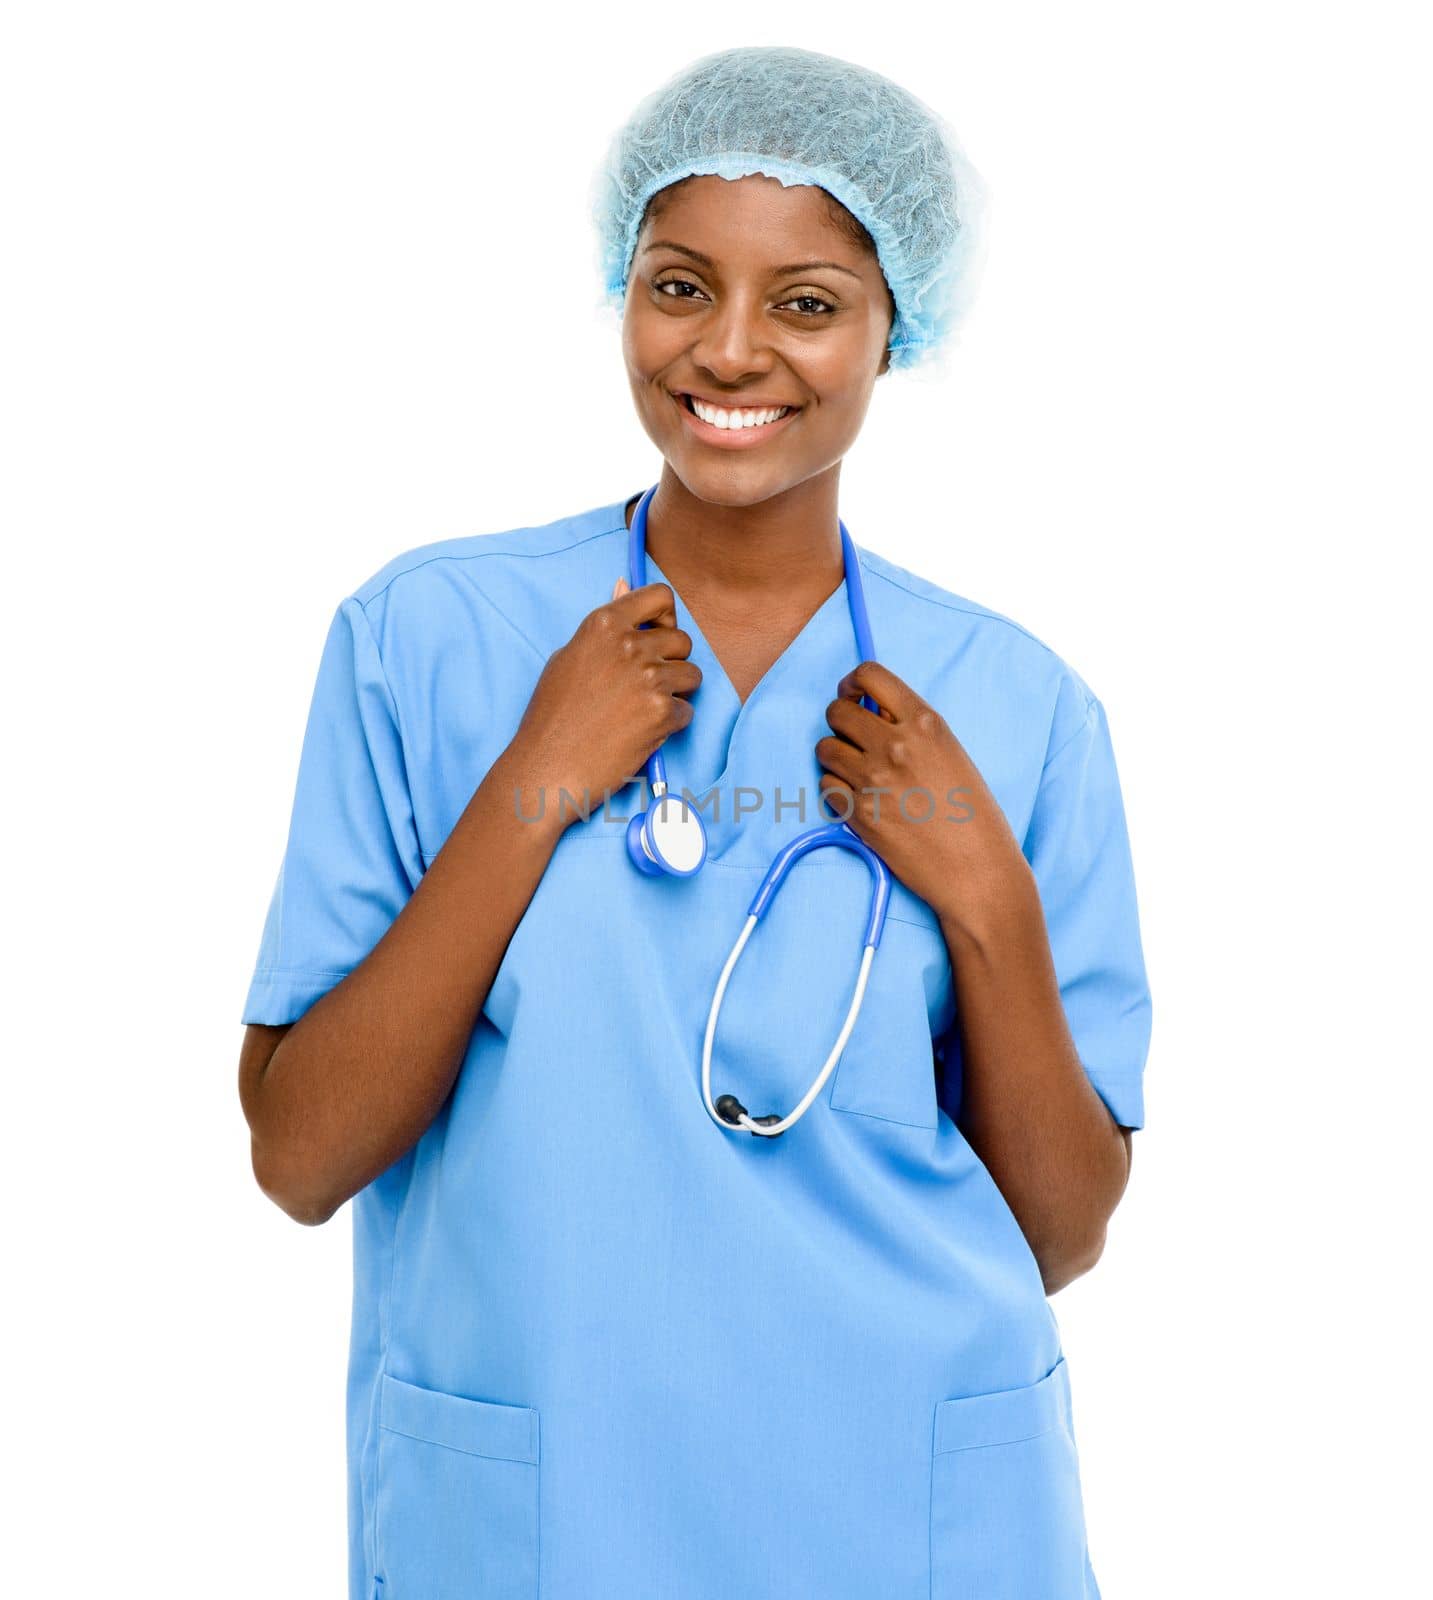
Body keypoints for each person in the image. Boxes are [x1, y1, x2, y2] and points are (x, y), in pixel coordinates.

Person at [238, 44, 1152, 1600]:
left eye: (805, 302)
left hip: (904, 1505)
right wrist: (535, 785)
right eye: (678, 286)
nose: (730, 352)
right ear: (623, 289)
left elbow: (1060, 1234)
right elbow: (301, 1153)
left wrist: (983, 896)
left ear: (894, 326)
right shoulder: (426, 640)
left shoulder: (1016, 705)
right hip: (551, 1507)